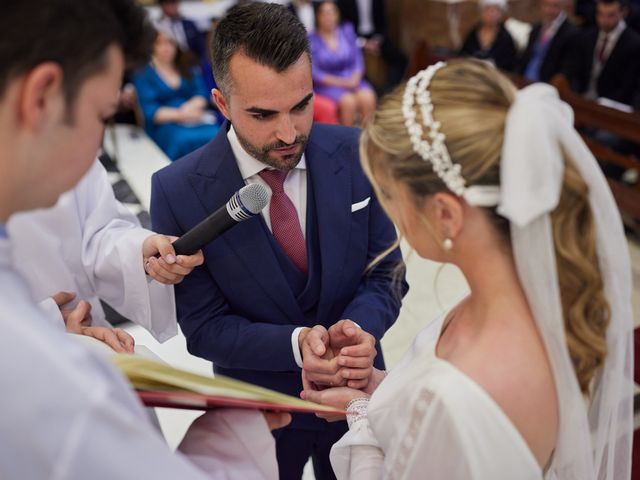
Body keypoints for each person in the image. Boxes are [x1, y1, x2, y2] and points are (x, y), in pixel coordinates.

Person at [301, 59, 634, 479]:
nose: (389, 210)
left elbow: (440, 426)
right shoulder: (526, 299)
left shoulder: (455, 393)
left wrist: (360, 413)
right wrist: (382, 392)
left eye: (389, 193)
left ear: (445, 214)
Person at [0, 1, 289, 478]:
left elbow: (93, 233)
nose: (98, 145)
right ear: (42, 97)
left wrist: (139, 252)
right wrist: (232, 431)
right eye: (101, 115)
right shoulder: (35, 368)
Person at [150, 3, 406, 479]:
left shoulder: (355, 152)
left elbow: (387, 272)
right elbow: (204, 327)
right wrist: (294, 344)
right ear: (222, 104)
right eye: (263, 114)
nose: (288, 133)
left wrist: (361, 332)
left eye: (301, 105)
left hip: (359, 399)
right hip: (259, 411)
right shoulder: (178, 189)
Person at [7, 158, 204, 347]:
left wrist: (139, 252)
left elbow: (94, 229)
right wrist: (45, 320)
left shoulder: (58, 137)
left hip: (88, 328)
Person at [133, 28, 220, 161]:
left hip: (195, 118)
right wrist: (181, 114)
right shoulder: (144, 73)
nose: (166, 48)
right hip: (166, 123)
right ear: (151, 46)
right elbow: (151, 111)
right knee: (182, 141)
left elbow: (201, 93)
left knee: (218, 134)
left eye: (170, 43)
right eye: (159, 43)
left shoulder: (186, 66)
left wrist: (192, 107)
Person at [309, 1, 377, 126]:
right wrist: (342, 83)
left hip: (352, 79)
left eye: (332, 12)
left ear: (338, 14)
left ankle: (368, 138)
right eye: (324, 13)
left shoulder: (347, 31)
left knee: (368, 97)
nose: (329, 17)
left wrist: (355, 79)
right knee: (348, 102)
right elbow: (315, 72)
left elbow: (357, 59)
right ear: (318, 16)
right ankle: (348, 139)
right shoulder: (311, 39)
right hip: (328, 85)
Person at [564, 0, 640, 109]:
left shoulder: (634, 44)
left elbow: (629, 86)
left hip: (611, 109)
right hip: (581, 102)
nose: (604, 20)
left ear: (624, 13)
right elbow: (575, 71)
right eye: (600, 14)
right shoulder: (586, 37)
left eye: (610, 15)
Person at [336, 0, 407, 94]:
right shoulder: (344, 2)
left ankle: (390, 89)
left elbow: (383, 23)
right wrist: (363, 43)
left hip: (375, 37)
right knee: (353, 64)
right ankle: (371, 91)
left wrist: (375, 41)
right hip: (353, 38)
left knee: (401, 60)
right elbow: (342, 27)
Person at [517, 0, 577, 82]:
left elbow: (565, 71)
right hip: (524, 81)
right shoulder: (536, 29)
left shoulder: (571, 34)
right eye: (546, 5)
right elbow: (524, 60)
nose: (549, 10)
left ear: (562, 6)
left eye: (555, 6)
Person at [459, 0, 517, 71]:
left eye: (496, 10)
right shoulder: (473, 32)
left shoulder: (505, 38)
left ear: (502, 13)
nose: (492, 14)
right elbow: (462, 55)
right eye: (488, 9)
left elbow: (509, 65)